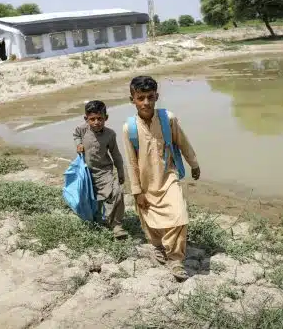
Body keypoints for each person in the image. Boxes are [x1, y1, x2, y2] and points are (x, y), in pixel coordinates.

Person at [123, 76, 200, 281]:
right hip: (146, 182)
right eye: (141, 98)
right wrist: (136, 190)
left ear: (156, 96)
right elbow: (131, 162)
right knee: (149, 218)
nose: (146, 102)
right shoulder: (129, 128)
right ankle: (157, 246)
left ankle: (175, 259)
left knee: (180, 215)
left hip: (168, 177)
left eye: (150, 97)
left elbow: (183, 143)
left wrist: (194, 163)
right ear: (133, 99)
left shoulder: (168, 119)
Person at [74, 100, 127, 239]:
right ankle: (96, 220)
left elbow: (116, 154)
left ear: (106, 118)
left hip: (104, 171)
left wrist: (121, 172)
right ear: (86, 119)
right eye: (92, 119)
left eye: (100, 118)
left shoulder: (110, 134)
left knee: (117, 192)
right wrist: (78, 144)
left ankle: (116, 225)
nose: (96, 122)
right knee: (91, 200)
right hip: (86, 172)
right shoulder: (82, 129)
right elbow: (76, 135)